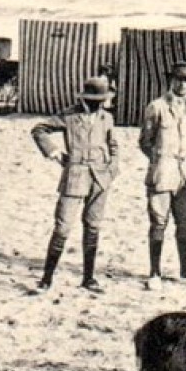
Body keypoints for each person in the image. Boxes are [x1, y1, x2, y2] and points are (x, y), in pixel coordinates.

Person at [31, 76, 119, 293]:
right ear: (85, 98)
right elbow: (39, 129)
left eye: (102, 99)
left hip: (100, 179)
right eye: (95, 99)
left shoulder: (107, 118)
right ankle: (46, 279)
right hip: (75, 176)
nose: (99, 103)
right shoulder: (69, 116)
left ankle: (88, 278)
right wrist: (54, 153)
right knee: (62, 227)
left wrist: (112, 168)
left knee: (93, 226)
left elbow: (113, 144)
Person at [138, 61, 186, 290]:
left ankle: (185, 269)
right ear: (171, 81)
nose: (184, 85)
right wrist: (161, 160)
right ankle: (154, 271)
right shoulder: (156, 106)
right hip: (162, 174)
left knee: (184, 223)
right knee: (158, 221)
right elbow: (145, 141)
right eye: (180, 80)